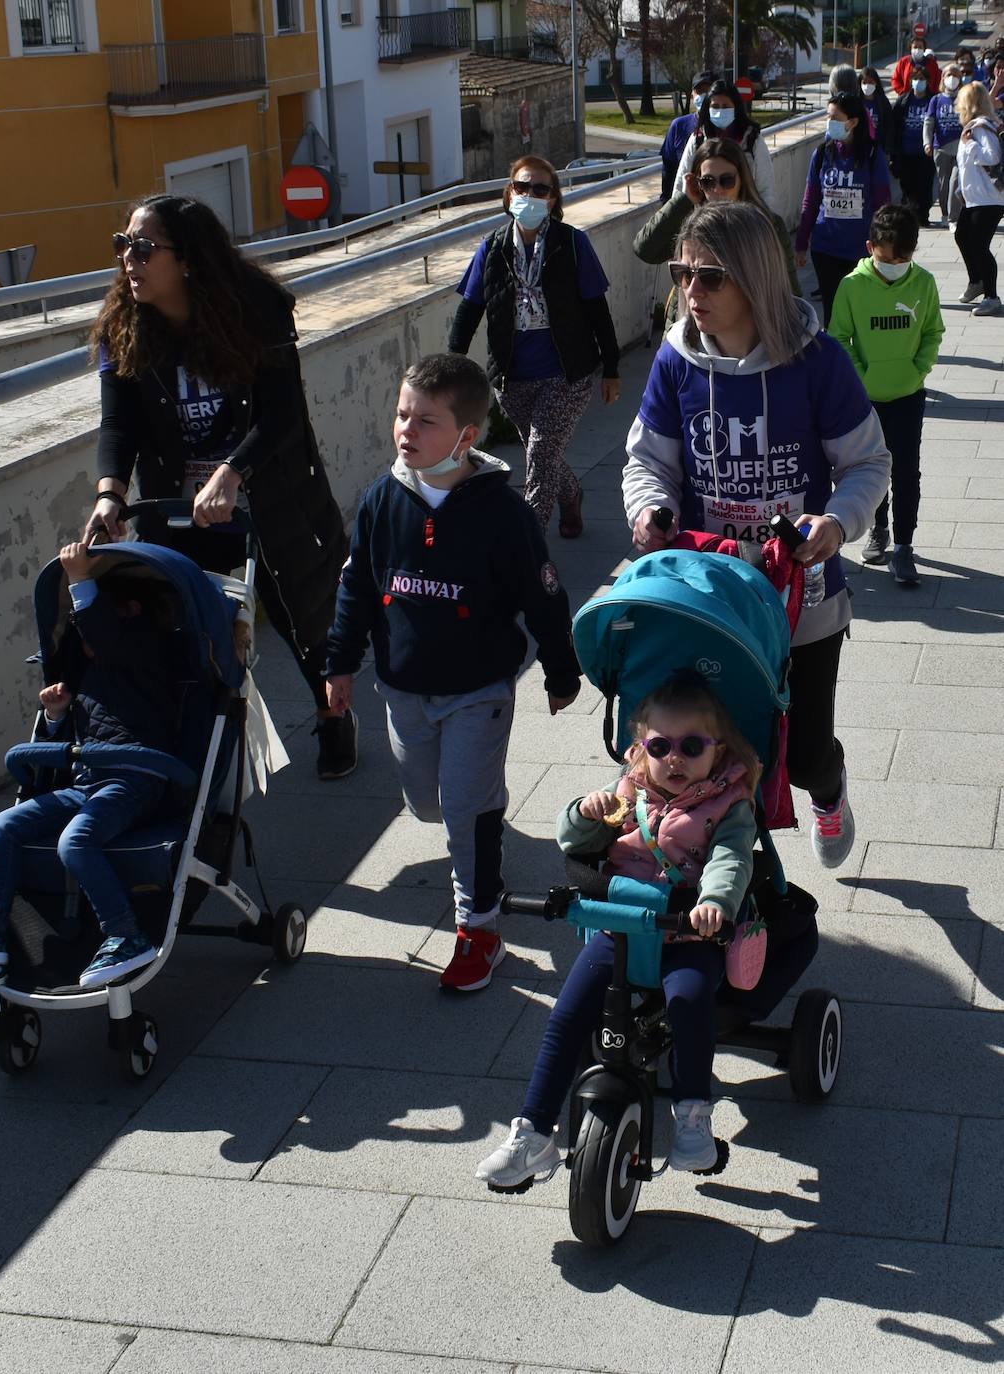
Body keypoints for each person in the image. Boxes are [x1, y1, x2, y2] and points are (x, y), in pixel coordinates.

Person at [623, 201, 891, 867]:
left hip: (806, 601)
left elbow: (867, 462)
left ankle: (828, 793)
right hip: (708, 599)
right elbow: (648, 461)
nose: (691, 290)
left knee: (802, 755)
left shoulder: (819, 362)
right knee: (717, 756)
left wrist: (835, 523)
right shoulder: (675, 362)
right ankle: (733, 890)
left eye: (710, 276)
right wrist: (649, 508)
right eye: (684, 273)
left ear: (755, 277)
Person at [324, 354, 581, 992]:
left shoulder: (505, 515)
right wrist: (340, 662)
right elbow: (357, 589)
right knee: (428, 803)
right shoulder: (381, 501)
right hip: (404, 692)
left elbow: (543, 596)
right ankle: (480, 809)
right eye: (402, 414)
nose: (406, 430)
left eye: (426, 420)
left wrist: (561, 670)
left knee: (464, 810)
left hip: (479, 692)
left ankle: (479, 927)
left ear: (467, 435)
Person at [86, 193, 354, 782]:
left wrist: (231, 473)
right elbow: (118, 423)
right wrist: (110, 492)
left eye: (144, 247)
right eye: (123, 245)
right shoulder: (123, 324)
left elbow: (282, 414)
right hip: (177, 501)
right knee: (182, 617)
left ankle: (331, 713)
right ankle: (187, 746)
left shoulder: (255, 308)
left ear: (188, 260)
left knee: (297, 614)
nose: (129, 258)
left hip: (266, 486)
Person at [475, 675, 761, 1182]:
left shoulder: (728, 805)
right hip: (621, 928)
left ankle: (692, 1116)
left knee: (690, 1002)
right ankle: (533, 1133)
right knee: (567, 1015)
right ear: (639, 748)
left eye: (691, 747)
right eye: (660, 746)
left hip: (687, 934)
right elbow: (575, 840)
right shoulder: (629, 790)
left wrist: (714, 901)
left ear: (717, 752)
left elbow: (731, 861)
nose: (674, 759)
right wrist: (584, 814)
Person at [0, 543, 180, 989]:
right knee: (4, 825)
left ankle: (126, 933)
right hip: (87, 781)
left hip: (135, 778)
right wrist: (57, 716)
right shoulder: (91, 677)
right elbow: (58, 756)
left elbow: (107, 636)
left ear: (130, 612)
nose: (84, 638)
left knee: (74, 842)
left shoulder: (148, 655)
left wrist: (81, 580)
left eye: (92, 623)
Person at [448, 156, 621, 539]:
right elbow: (470, 308)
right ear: (510, 193)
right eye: (522, 187)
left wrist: (611, 367)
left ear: (553, 199)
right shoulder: (492, 248)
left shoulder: (572, 244)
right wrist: (449, 368)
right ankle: (572, 494)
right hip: (512, 379)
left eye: (540, 189)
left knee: (540, 455)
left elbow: (597, 309)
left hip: (566, 374)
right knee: (542, 452)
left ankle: (527, 550)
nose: (529, 195)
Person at [829, 205, 944, 588]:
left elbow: (932, 331)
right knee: (871, 469)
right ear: (869, 247)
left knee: (906, 470)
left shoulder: (923, 283)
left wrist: (918, 369)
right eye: (886, 258)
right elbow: (839, 340)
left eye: (904, 258)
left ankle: (904, 546)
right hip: (865, 402)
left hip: (908, 395)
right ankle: (879, 529)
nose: (895, 265)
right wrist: (860, 378)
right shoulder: (851, 286)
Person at [633, 137, 799, 335]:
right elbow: (645, 249)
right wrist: (683, 200)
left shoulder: (767, 225)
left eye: (727, 180)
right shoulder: (689, 219)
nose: (717, 189)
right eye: (707, 182)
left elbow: (790, 293)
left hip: (745, 342)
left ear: (742, 180)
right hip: (690, 335)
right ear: (697, 183)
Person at [795, 93, 892, 324]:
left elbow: (882, 205)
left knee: (858, 312)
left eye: (835, 118)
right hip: (825, 247)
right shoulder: (821, 154)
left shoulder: (872, 155)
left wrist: (884, 246)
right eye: (829, 117)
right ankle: (835, 356)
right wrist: (801, 243)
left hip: (860, 250)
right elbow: (810, 201)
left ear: (853, 121)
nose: (830, 123)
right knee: (831, 310)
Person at [672, 80, 779, 213]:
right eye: (715, 106)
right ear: (708, 109)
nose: (720, 111)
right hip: (706, 220)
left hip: (745, 222)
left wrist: (767, 222)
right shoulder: (697, 139)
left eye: (726, 106)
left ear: (736, 108)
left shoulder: (752, 140)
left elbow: (766, 189)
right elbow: (680, 186)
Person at [953, 82, 1004, 316]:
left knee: (979, 245)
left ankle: (992, 296)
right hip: (974, 198)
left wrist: (970, 144)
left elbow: (992, 157)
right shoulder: (972, 128)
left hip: (988, 199)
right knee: (962, 235)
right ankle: (977, 281)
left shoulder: (981, 128)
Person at [660, 70, 717, 202]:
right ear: (692, 95)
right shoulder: (678, 126)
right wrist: (666, 206)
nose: (704, 96)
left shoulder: (723, 125)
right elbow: (668, 169)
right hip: (685, 203)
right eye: (700, 91)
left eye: (708, 91)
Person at [890, 62, 935, 225]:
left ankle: (923, 215)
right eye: (915, 78)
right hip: (905, 152)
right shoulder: (903, 101)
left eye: (922, 79)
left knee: (924, 185)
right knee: (907, 185)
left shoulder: (933, 100)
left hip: (925, 153)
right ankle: (909, 215)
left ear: (927, 81)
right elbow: (894, 126)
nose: (918, 81)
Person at [924, 64, 965, 228]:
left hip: (961, 148)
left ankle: (953, 218)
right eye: (949, 74)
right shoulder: (936, 99)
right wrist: (927, 142)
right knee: (943, 184)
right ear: (943, 78)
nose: (952, 78)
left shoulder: (964, 98)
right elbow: (929, 123)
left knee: (955, 182)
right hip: (940, 148)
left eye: (956, 75)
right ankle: (944, 214)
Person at [859, 66, 893, 146]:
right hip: (861, 145)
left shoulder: (883, 102)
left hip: (879, 145)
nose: (867, 85)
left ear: (876, 83)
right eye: (864, 82)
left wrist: (888, 147)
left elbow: (889, 125)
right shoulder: (856, 102)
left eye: (871, 82)